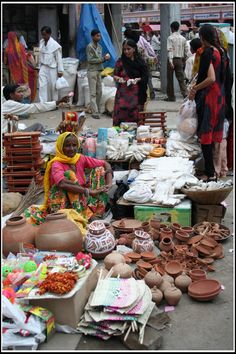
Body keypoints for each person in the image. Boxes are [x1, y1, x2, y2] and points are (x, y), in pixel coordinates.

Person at [36, 132, 113, 221]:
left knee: (99, 169)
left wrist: (109, 183)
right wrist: (88, 191)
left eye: (74, 145)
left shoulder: (79, 158)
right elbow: (62, 183)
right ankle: (83, 215)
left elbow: (105, 163)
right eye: (68, 146)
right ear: (61, 147)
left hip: (81, 197)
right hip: (63, 201)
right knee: (69, 175)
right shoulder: (56, 164)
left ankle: (96, 212)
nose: (72, 149)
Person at [188, 24, 227, 182]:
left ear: (203, 37)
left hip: (210, 97)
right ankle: (214, 171)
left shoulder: (208, 53)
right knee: (213, 136)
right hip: (219, 95)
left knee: (206, 135)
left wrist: (194, 89)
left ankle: (210, 173)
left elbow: (210, 78)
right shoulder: (221, 51)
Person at [113, 39, 148, 126]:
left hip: (136, 94)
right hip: (122, 94)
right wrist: (119, 79)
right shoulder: (121, 61)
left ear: (134, 49)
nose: (126, 51)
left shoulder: (140, 62)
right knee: (121, 113)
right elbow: (115, 75)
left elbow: (145, 76)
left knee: (135, 114)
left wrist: (138, 79)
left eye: (128, 49)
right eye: (124, 49)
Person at [124, 29, 156, 100]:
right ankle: (150, 93)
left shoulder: (126, 48)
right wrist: (152, 58)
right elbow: (146, 57)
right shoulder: (139, 48)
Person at [86, 29, 110, 119]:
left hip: (99, 71)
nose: (99, 37)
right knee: (93, 93)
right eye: (97, 36)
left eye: (99, 36)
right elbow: (90, 60)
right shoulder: (89, 47)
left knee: (99, 91)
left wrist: (104, 59)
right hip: (92, 71)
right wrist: (103, 59)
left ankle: (98, 110)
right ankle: (94, 112)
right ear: (92, 37)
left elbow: (99, 58)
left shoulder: (99, 47)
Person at [2, 84, 69, 116]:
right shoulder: (11, 104)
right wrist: (58, 102)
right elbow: (36, 107)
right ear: (11, 95)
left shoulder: (7, 104)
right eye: (19, 92)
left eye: (21, 92)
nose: (22, 94)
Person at [38, 26, 64, 102]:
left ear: (49, 34)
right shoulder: (41, 42)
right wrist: (39, 66)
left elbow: (59, 59)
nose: (43, 36)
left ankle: (54, 102)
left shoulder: (55, 45)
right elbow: (40, 55)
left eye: (45, 34)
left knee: (53, 86)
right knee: (42, 85)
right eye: (42, 34)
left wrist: (60, 71)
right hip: (43, 66)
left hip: (52, 67)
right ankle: (43, 102)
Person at [165, 21, 189, 101]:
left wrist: (171, 62)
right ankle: (185, 94)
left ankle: (171, 97)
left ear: (171, 28)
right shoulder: (183, 38)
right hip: (180, 60)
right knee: (181, 78)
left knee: (170, 79)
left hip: (171, 59)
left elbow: (170, 50)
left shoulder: (170, 38)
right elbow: (186, 50)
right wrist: (185, 59)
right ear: (178, 28)